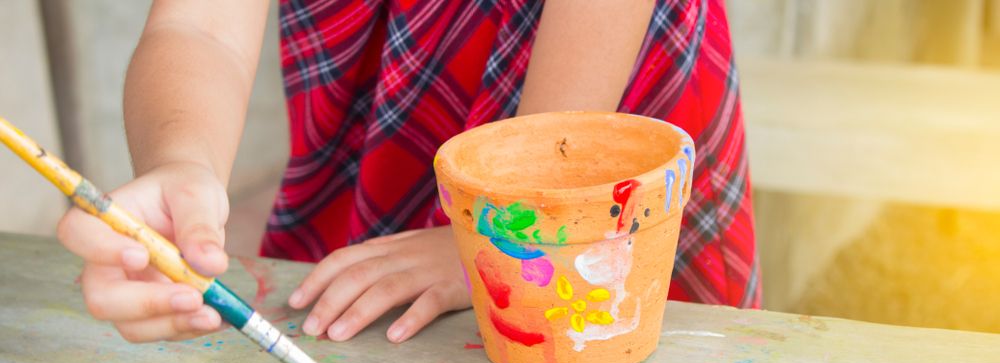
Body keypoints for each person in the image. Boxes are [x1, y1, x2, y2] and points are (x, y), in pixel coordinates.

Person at [56, 0, 760, 345]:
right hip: (389, 130)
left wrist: (504, 222)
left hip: (592, 122)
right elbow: (199, 27)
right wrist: (183, 161)